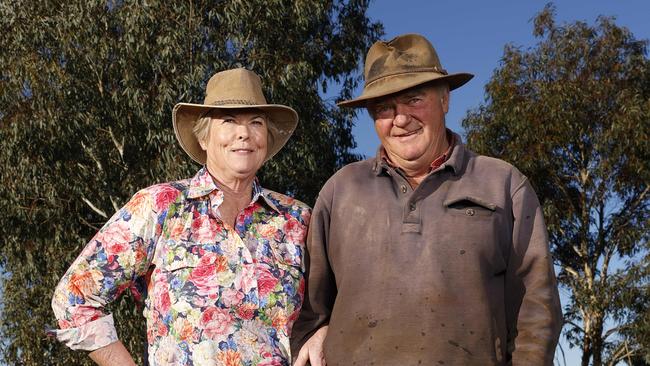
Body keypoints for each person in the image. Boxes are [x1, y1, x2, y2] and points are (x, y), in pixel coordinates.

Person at [291, 34, 562, 366]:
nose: (401, 119)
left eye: (414, 99)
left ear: (445, 99)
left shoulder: (503, 184)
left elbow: (537, 308)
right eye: (385, 108)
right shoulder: (341, 190)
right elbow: (310, 308)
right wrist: (312, 334)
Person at [51, 68, 311, 365]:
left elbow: (332, 307)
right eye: (228, 120)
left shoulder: (298, 219)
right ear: (203, 138)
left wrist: (322, 330)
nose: (244, 133)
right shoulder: (161, 205)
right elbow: (74, 297)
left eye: (256, 122)